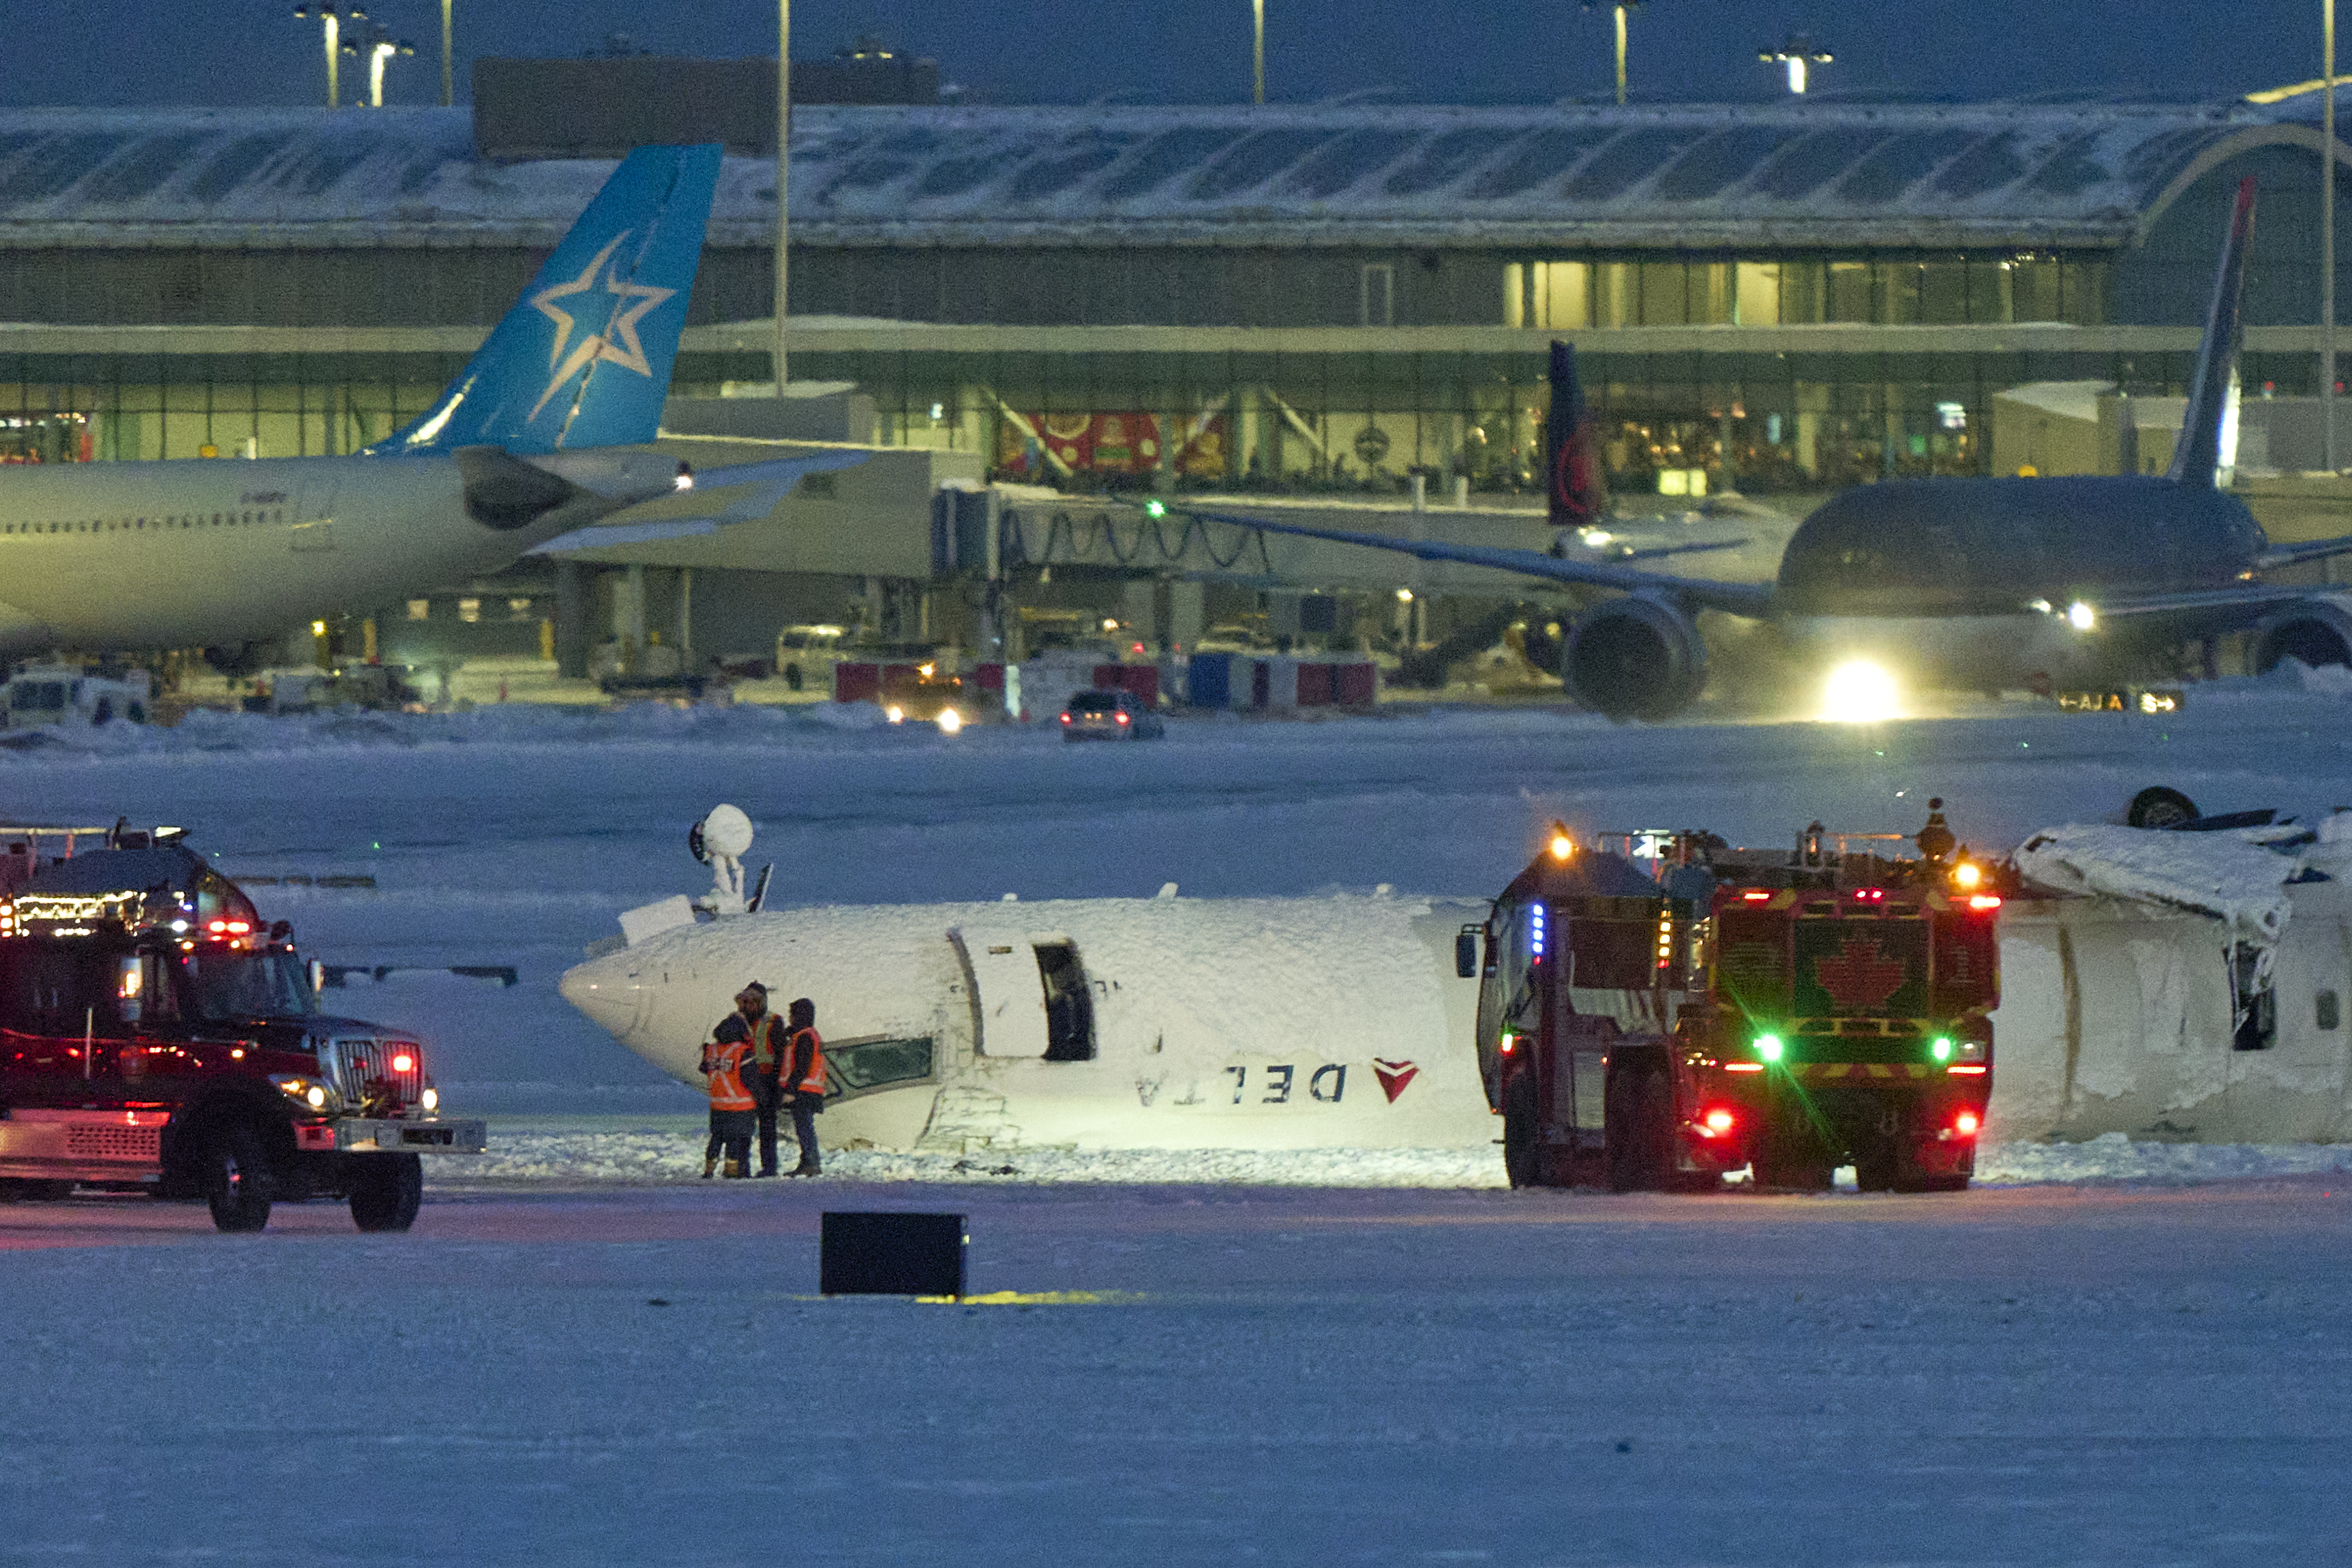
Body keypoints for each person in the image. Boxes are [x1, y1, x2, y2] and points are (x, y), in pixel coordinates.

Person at [713, 982, 787, 1177]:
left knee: (767, 1127)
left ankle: (768, 1167)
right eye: (744, 1002)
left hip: (767, 1078)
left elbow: (780, 1053)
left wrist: (780, 1084)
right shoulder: (736, 1021)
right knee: (743, 1127)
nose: (747, 1006)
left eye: (752, 1001)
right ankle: (741, 1166)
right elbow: (719, 1035)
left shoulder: (774, 1021)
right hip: (744, 1079)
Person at [699, 1015, 757, 1179]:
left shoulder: (712, 1050)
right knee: (734, 1140)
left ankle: (709, 1170)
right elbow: (751, 1079)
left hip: (717, 1105)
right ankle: (731, 1171)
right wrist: (764, 1099)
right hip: (740, 1106)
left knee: (716, 1138)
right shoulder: (742, 1052)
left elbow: (705, 1069)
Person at [781, 996, 826, 1177]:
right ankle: (807, 1162)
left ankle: (811, 1163)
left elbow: (801, 1067)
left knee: (804, 1128)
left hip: (803, 1090)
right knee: (804, 1127)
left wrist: (790, 1090)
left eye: (792, 1015)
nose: (790, 1018)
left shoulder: (805, 1037)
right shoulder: (808, 1035)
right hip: (810, 1089)